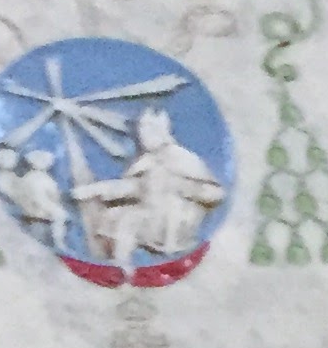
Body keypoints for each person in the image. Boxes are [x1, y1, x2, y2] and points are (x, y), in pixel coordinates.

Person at [76, 109, 225, 271]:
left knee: (128, 220)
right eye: (141, 133)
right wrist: (94, 190)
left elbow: (216, 193)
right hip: (150, 215)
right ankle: (119, 265)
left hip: (175, 222)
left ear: (161, 132)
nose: (143, 138)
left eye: (148, 132)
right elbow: (134, 188)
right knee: (113, 216)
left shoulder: (182, 158)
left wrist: (187, 189)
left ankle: (122, 266)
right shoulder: (146, 161)